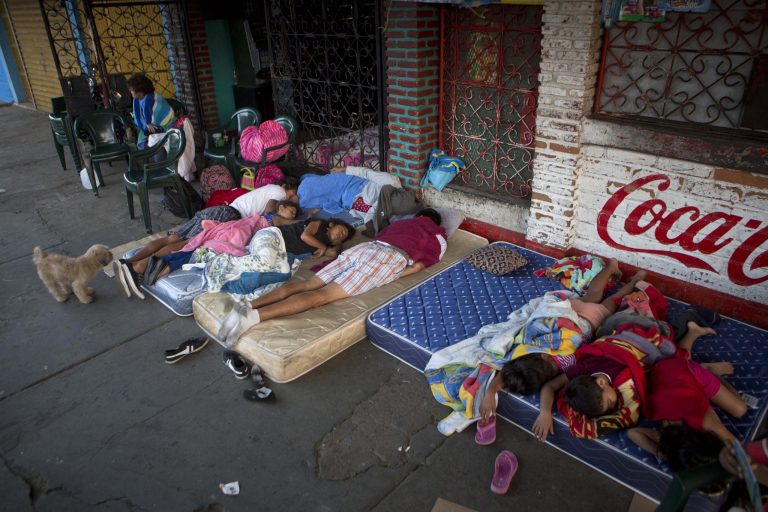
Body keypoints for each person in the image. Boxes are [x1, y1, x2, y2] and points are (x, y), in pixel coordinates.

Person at [216, 208, 447, 345]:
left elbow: (380, 236)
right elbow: (420, 264)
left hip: (365, 248)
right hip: (386, 258)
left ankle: (248, 305)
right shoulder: (434, 231)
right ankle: (253, 317)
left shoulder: (401, 223)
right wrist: (399, 272)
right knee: (322, 296)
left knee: (306, 284)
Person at [476, 263, 646, 421]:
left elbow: (514, 373)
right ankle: (611, 266)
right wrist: (490, 393)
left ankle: (636, 278)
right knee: (593, 295)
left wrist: (491, 392)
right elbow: (510, 369)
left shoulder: (566, 365)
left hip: (588, 320)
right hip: (569, 311)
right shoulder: (529, 350)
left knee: (612, 301)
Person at [113, 184, 297, 298]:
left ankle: (129, 263)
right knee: (185, 245)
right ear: (288, 194)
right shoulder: (279, 192)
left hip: (219, 211)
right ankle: (139, 266)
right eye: (295, 197)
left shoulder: (266, 190)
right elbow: (270, 209)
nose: (296, 200)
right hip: (228, 214)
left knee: (174, 238)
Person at [126, 73, 175, 151]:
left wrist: (148, 123)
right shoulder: (137, 99)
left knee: (153, 146)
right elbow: (140, 114)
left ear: (139, 91)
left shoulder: (150, 99)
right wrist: (146, 124)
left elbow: (148, 113)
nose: (131, 92)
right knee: (143, 144)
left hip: (165, 125)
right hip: (150, 127)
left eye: (132, 91)